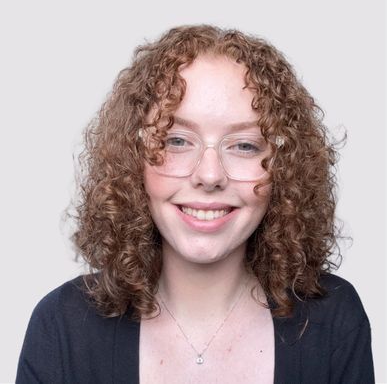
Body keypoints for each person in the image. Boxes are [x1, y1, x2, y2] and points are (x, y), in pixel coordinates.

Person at [16, 24, 374, 383]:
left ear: (284, 167)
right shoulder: (61, 328)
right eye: (176, 140)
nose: (210, 175)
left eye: (245, 145)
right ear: (132, 158)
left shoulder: (334, 322)